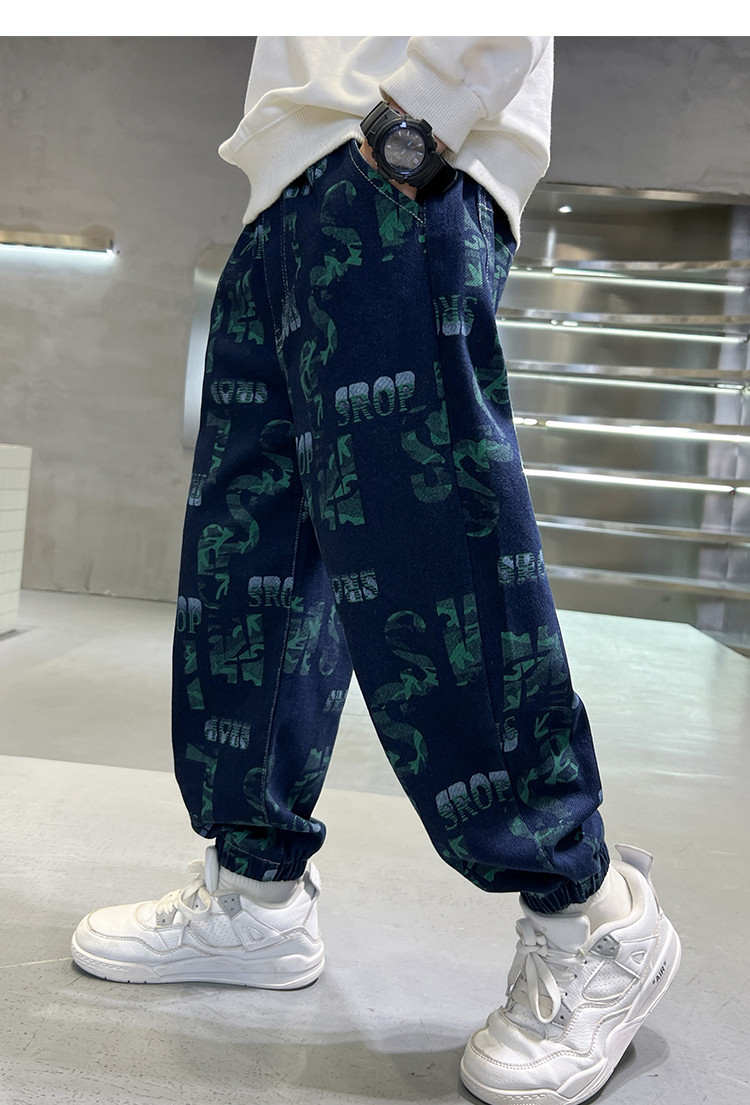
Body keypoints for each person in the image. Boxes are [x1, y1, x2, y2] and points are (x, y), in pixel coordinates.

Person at [71, 37, 680, 1105]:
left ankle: (594, 919)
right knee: (250, 570)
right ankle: (256, 892)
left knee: (433, 568)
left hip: (403, 161)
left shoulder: (406, 145)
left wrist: (421, 114)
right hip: (282, 197)